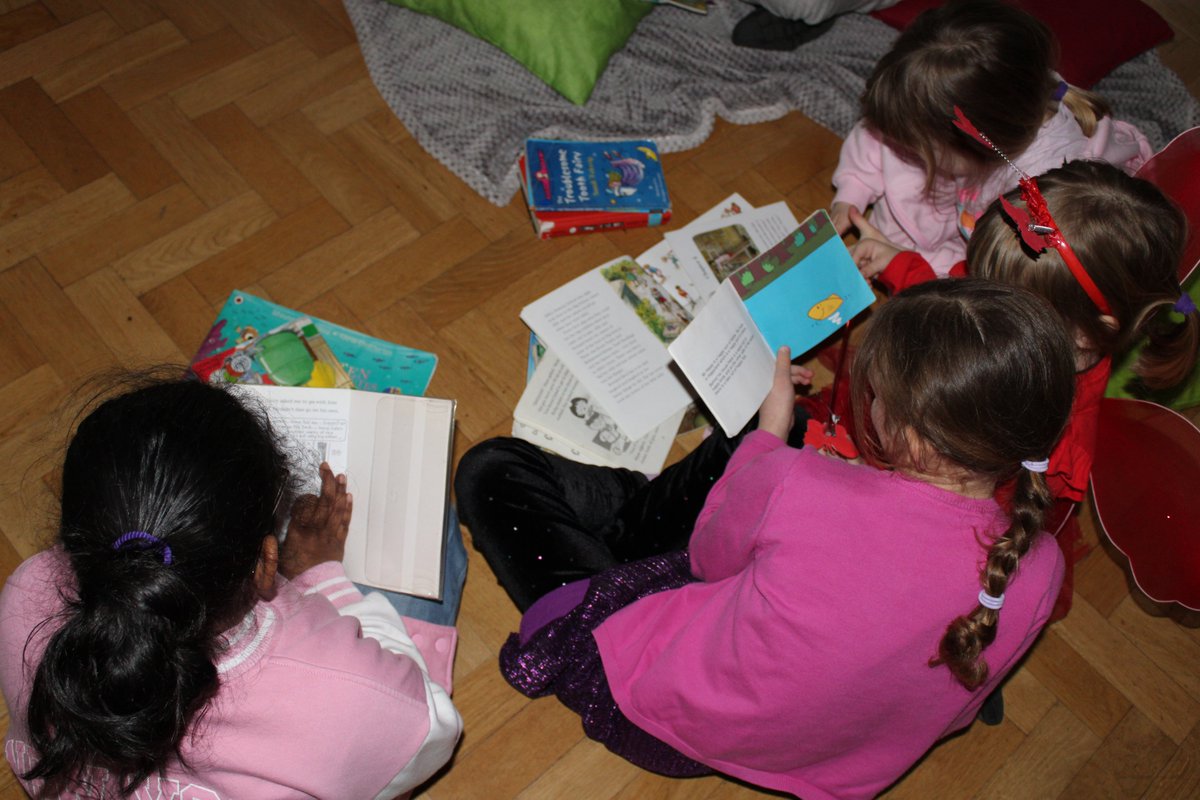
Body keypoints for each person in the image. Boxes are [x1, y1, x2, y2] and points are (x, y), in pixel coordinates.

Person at [464, 279, 1076, 798]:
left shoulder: (799, 486)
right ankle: (641, 504)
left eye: (878, 395)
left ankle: (632, 505)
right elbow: (950, 701)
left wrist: (769, 438)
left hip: (648, 705)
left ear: (909, 433)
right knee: (771, 448)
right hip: (815, 759)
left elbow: (706, 564)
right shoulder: (1040, 565)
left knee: (491, 469)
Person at [0, 377, 463, 798]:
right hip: (348, 708)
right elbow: (434, 733)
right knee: (435, 532)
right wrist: (319, 575)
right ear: (266, 564)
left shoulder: (28, 589)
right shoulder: (342, 689)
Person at [850, 158, 1198, 621]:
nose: (973, 296)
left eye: (986, 293)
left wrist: (899, 496)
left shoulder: (1046, 437)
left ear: (1082, 335)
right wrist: (900, 263)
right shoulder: (1023, 305)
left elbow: (974, 518)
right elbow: (958, 304)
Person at [831, 0, 1153, 277]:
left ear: (974, 149)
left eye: (914, 147)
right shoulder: (1009, 90)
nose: (902, 149)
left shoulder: (1033, 219)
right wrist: (852, 191)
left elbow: (990, 304)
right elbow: (880, 134)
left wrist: (907, 264)